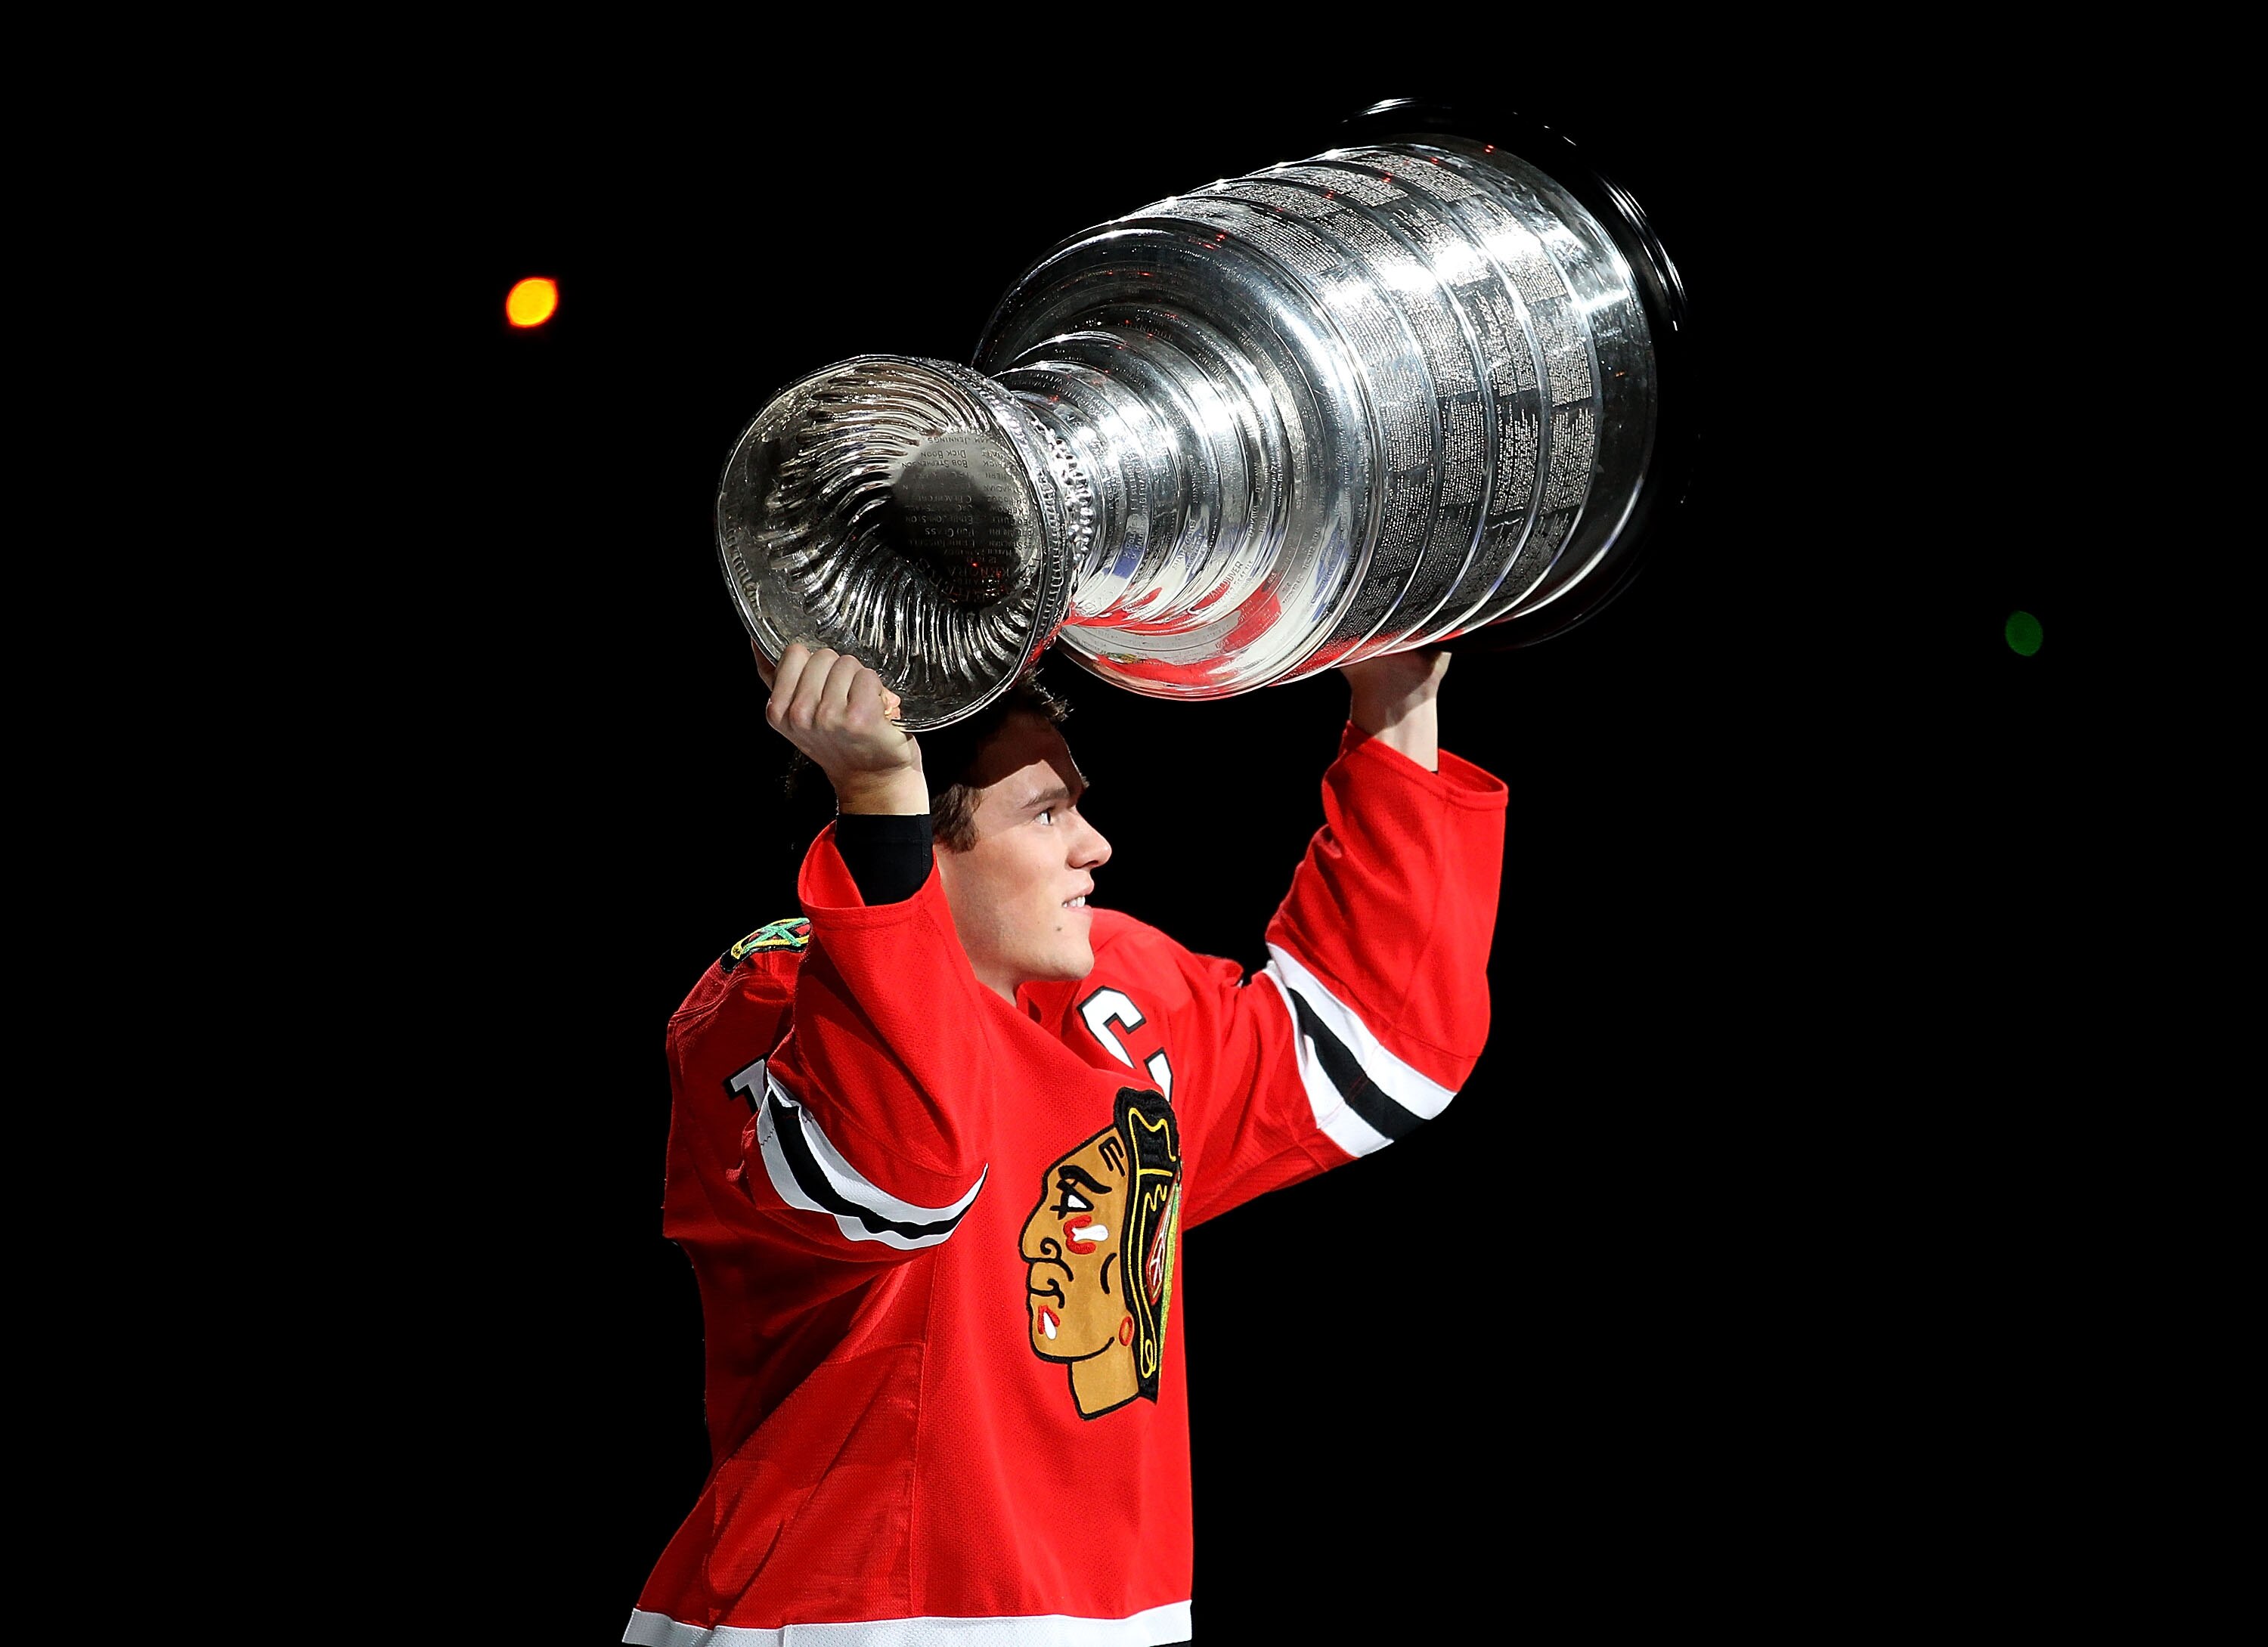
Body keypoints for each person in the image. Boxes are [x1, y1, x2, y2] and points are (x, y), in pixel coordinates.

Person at [625, 640, 1507, 1647]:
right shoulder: (772, 1001)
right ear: (928, 843)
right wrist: (877, 791)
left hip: (1114, 1618)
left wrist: (1395, 699)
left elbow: (1377, 1040)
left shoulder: (1110, 1000)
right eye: (1046, 814)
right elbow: (901, 1183)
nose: (1096, 847)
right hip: (848, 1622)